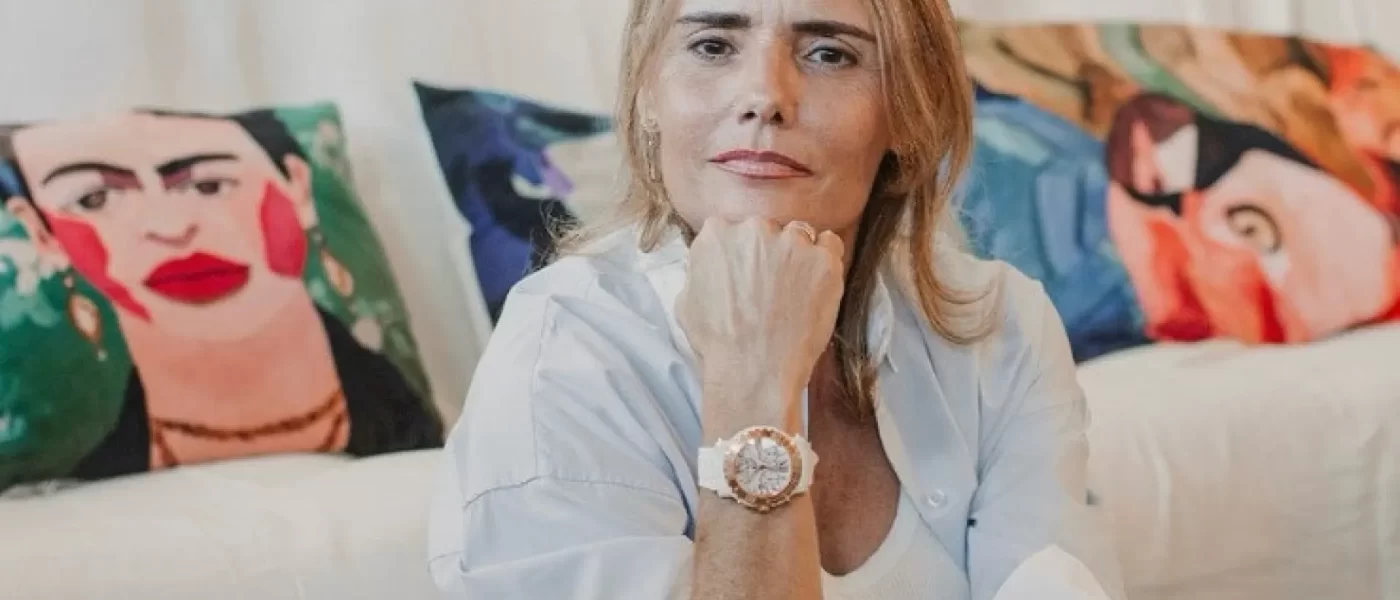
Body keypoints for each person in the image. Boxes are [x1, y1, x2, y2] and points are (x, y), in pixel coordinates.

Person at [429, 0, 1124, 598]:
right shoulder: (558, 362)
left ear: (909, 113)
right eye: (712, 45)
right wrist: (753, 383)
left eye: (830, 54)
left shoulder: (1000, 324)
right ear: (647, 92)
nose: (765, 95)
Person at [0, 109, 443, 478]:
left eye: (209, 185)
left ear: (298, 186)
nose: (172, 228)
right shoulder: (91, 450)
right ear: (40, 232)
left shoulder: (430, 431)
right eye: (95, 200)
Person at [1103, 93, 1400, 345]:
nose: (1165, 190)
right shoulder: (1241, 152)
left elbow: (1280, 254)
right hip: (1366, 267)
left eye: (1157, 181)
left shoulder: (1234, 184)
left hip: (1352, 293)